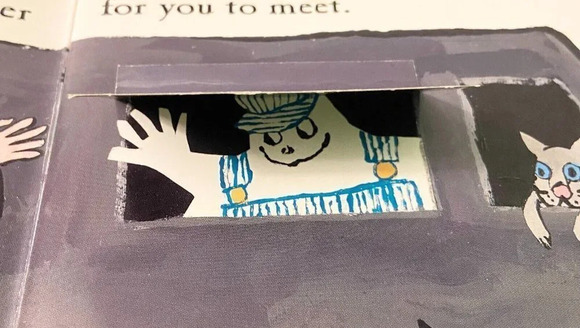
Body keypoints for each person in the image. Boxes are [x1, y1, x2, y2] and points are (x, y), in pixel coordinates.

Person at [109, 93, 428, 217]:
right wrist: (175, 161)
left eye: (303, 131)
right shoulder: (231, 180)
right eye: (271, 138)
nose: (287, 146)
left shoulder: (399, 155)